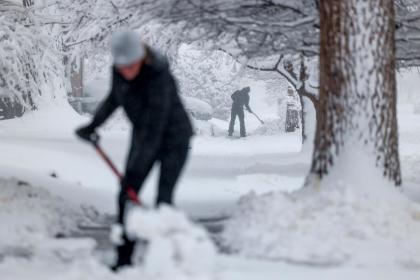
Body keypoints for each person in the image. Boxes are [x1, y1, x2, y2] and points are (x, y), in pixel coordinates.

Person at [75, 29, 193, 271]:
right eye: (122, 67)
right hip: (143, 134)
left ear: (142, 58)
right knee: (125, 196)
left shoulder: (160, 77)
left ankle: (166, 261)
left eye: (131, 65)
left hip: (174, 139)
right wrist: (93, 125)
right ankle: (124, 258)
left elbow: (156, 126)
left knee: (164, 199)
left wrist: (135, 169)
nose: (126, 71)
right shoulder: (119, 72)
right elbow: (114, 99)